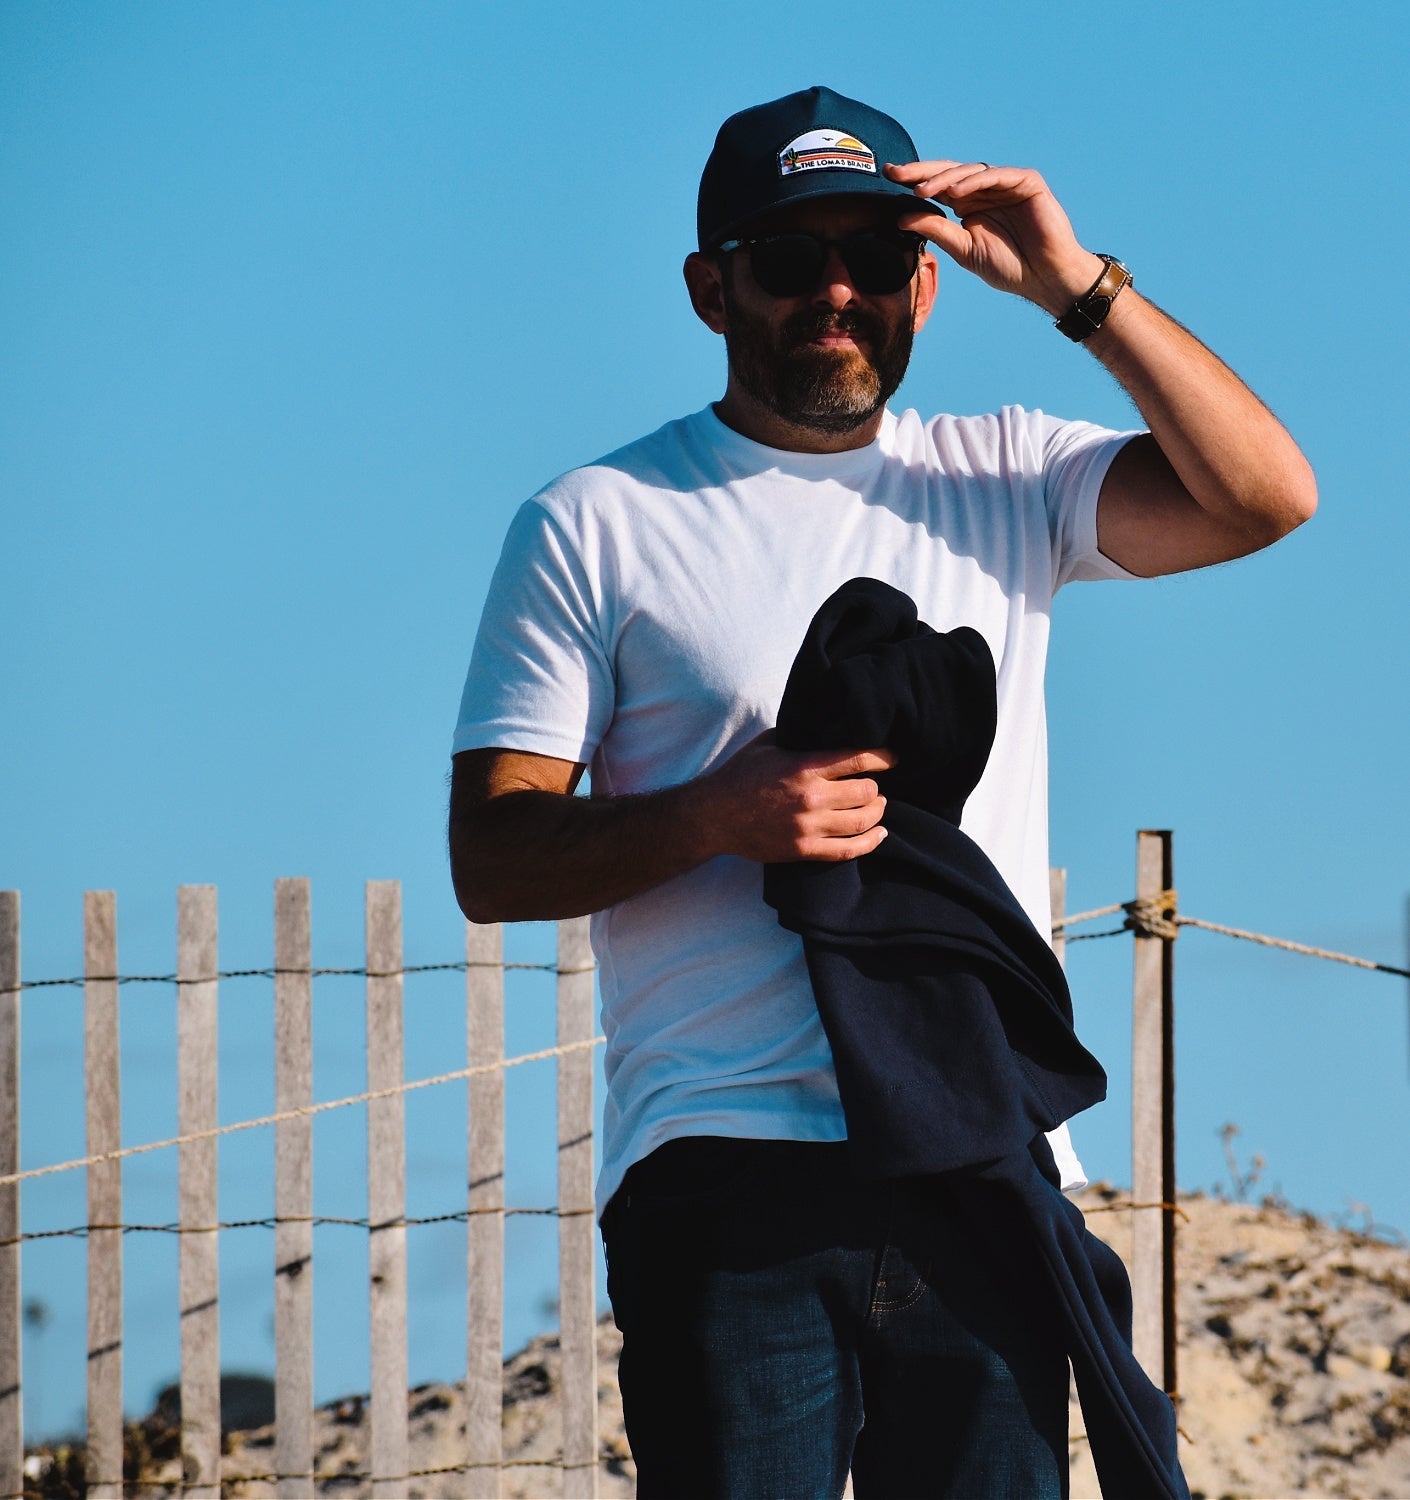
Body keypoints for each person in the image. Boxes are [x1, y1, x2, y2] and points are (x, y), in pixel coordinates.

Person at [448, 85, 1315, 1499]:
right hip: (728, 1167)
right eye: (790, 261)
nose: (833, 292)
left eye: (871, 257)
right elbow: (491, 855)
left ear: (926, 280)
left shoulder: (1007, 472)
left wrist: (1075, 286)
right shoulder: (595, 519)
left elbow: (1263, 497)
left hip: (978, 1154)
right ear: (709, 290)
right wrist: (714, 817)